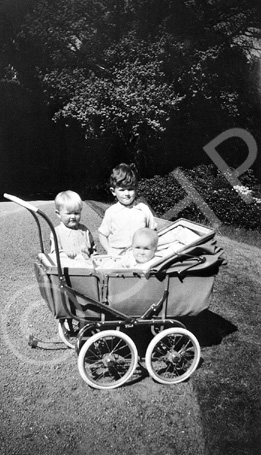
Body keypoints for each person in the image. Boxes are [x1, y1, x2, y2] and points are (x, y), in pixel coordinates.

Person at [98, 163, 157, 256]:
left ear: (136, 189)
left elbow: (153, 231)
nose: (127, 193)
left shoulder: (143, 209)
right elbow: (102, 234)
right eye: (122, 190)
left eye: (130, 189)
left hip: (139, 254)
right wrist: (109, 250)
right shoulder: (111, 212)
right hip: (118, 255)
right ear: (113, 191)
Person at [50, 190, 96, 260]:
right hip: (66, 267)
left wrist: (93, 256)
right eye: (69, 213)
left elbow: (93, 250)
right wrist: (65, 254)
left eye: (76, 213)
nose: (73, 217)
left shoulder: (84, 230)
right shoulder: (56, 232)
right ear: (58, 214)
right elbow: (54, 253)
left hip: (85, 267)